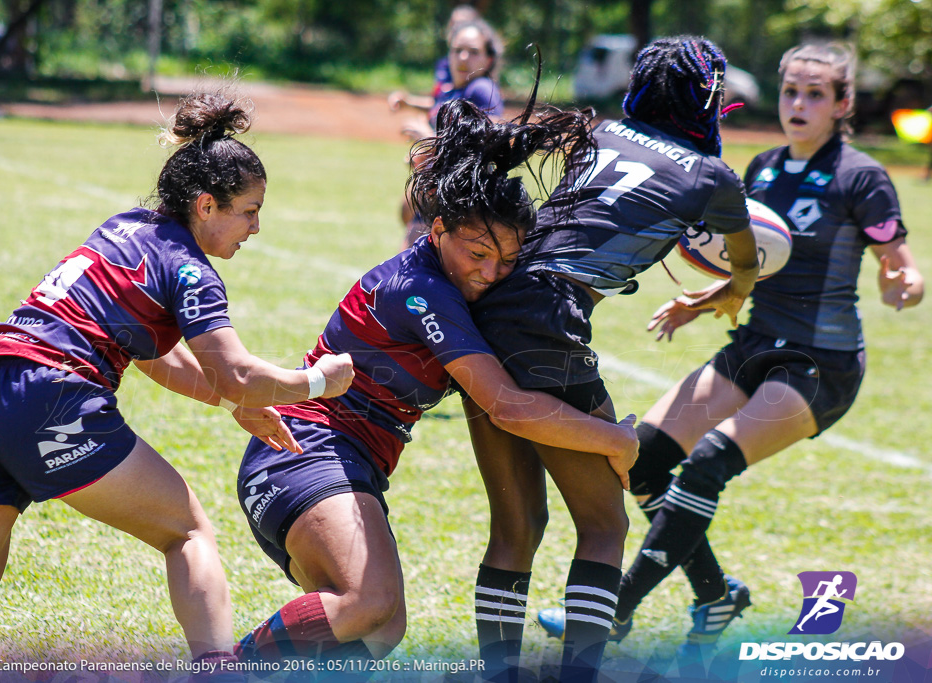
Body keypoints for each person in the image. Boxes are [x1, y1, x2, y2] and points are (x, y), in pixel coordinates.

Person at [0, 91, 355, 683]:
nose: (255, 227)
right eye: (249, 210)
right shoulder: (191, 268)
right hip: (52, 396)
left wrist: (236, 398)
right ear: (205, 205)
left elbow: (156, 357)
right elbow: (238, 371)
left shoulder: (125, 228)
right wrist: (318, 380)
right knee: (187, 530)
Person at [232, 97, 642, 673]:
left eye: (506, 261)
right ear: (439, 228)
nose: (490, 273)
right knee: (368, 604)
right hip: (303, 455)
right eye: (477, 253)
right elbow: (508, 407)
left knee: (377, 631)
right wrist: (614, 440)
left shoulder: (455, 281)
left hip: (346, 469)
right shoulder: (419, 289)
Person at [553, 41, 923, 660]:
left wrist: (903, 286)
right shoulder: (762, 169)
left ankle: (614, 612)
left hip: (819, 363)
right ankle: (716, 594)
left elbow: (902, 268)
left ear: (842, 104)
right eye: (790, 92)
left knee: (708, 464)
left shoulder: (862, 177)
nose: (798, 104)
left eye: (814, 95)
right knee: (639, 461)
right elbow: (743, 262)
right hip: (754, 344)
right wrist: (698, 302)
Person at [464, 36, 762, 683]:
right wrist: (734, 289)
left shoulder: (598, 133)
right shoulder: (713, 177)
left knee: (518, 524)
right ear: (705, 98)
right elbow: (748, 258)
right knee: (605, 523)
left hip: (486, 314)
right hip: (547, 320)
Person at [390, 17, 506, 249]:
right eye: (457, 50)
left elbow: (491, 136)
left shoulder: (481, 88)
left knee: (409, 268)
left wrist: (431, 141)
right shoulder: (453, 90)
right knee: (406, 213)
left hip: (461, 198)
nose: (463, 58)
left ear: (489, 59)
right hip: (438, 193)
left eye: (473, 52)